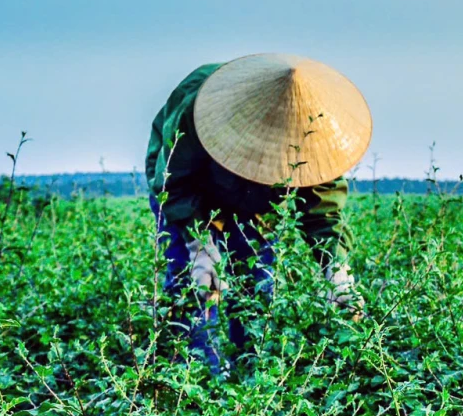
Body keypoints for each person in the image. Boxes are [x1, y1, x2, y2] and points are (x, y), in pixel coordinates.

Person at [146, 54, 372, 374]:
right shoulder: (199, 109)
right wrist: (200, 246)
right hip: (187, 194)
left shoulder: (317, 140)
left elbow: (322, 212)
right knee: (195, 287)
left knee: (254, 287)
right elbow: (173, 183)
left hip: (256, 205)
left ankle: (247, 372)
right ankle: (192, 376)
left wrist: (336, 271)